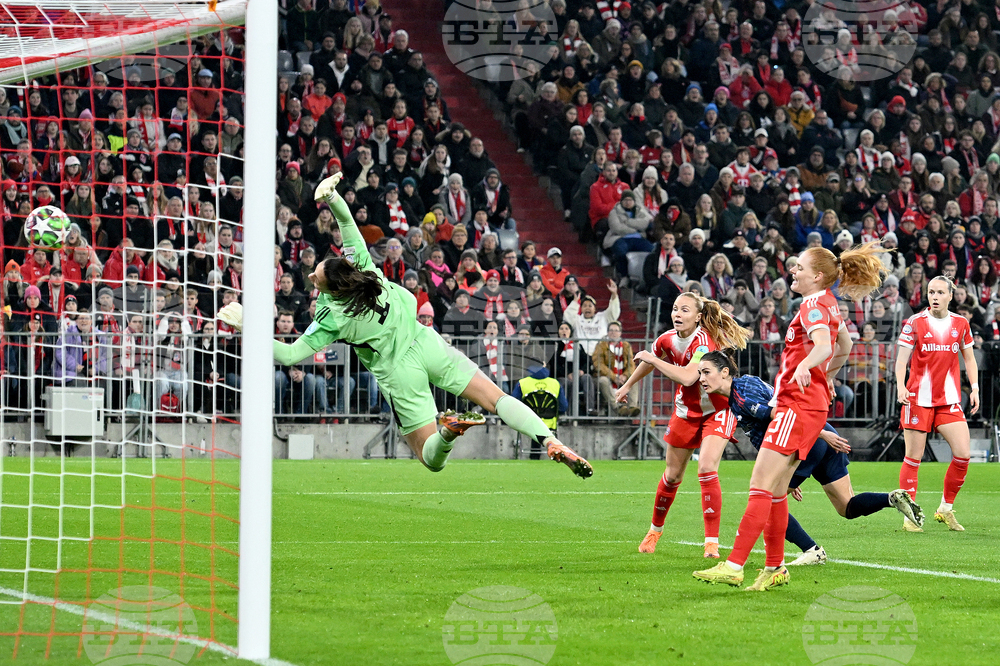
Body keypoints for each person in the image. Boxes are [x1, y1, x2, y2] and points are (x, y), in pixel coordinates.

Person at [218, 174, 592, 477]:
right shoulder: (363, 266)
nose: (312, 280)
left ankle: (447, 432)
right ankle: (547, 438)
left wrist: (246, 326)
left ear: (329, 286)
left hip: (399, 370)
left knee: (430, 459)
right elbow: (347, 223)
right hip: (426, 341)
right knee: (497, 399)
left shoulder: (332, 317)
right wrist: (331, 196)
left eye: (316, 278)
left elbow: (287, 353)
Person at [694, 241, 886, 590]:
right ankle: (775, 568)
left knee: (759, 486)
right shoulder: (829, 303)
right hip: (808, 406)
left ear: (816, 276)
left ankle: (734, 566)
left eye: (798, 267)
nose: (792, 271)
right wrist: (825, 376)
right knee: (778, 491)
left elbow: (826, 347)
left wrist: (808, 369)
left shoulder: (813, 304)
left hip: (796, 406)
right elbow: (845, 346)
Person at [697, 351, 924, 566]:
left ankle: (808, 551)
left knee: (766, 502)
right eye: (699, 373)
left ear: (725, 372)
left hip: (809, 438)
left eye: (706, 372)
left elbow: (783, 415)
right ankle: (891, 499)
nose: (701, 378)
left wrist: (818, 435)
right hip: (814, 439)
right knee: (847, 507)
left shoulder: (741, 393)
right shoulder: (745, 386)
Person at [615, 292, 751, 558]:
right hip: (686, 412)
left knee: (707, 467)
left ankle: (711, 543)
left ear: (698, 317)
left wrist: (654, 360)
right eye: (675, 309)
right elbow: (647, 362)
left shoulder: (704, 342)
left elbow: (689, 377)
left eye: (685, 310)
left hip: (718, 410)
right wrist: (627, 385)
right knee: (672, 475)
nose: (677, 314)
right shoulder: (666, 339)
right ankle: (655, 530)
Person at [895, 276, 979, 532]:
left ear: (950, 296)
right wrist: (900, 386)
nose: (934, 296)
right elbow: (901, 361)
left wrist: (974, 389)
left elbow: (970, 359)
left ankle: (945, 509)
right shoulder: (915, 323)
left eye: (940, 292)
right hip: (917, 398)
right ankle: (910, 518)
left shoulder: (961, 323)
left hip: (948, 400)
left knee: (963, 455)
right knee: (913, 458)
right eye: (931, 291)